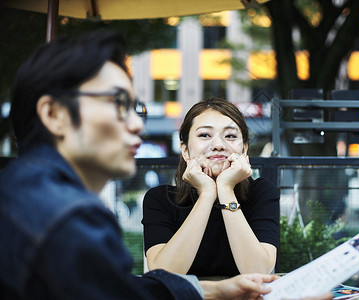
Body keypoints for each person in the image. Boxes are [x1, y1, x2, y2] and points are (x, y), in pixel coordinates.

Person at [0, 30, 282, 300]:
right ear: (54, 114)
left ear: (245, 146)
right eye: (118, 104)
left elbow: (119, 292)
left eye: (137, 109)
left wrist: (215, 292)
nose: (137, 124)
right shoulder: (68, 217)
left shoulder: (25, 196)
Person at [142, 98, 280, 276]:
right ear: (185, 150)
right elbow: (164, 274)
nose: (218, 145)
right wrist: (206, 194)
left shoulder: (261, 192)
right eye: (205, 135)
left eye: (230, 136)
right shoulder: (159, 199)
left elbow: (259, 271)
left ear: (244, 150)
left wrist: (226, 189)